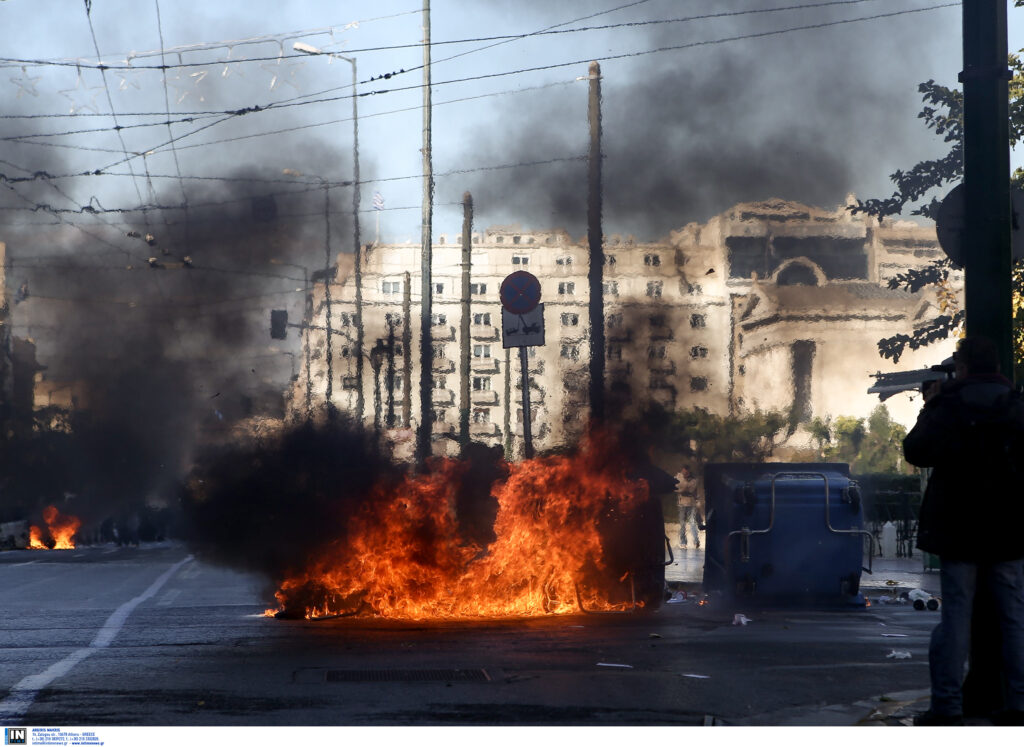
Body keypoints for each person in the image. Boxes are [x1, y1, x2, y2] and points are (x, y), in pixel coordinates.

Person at [903, 336, 1024, 725]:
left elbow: (916, 451)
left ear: (964, 367)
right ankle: (1018, 705)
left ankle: (948, 708)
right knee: (1013, 618)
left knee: (956, 617)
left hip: (959, 528)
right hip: (1008, 527)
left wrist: (932, 404)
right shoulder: (1015, 405)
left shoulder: (950, 406)